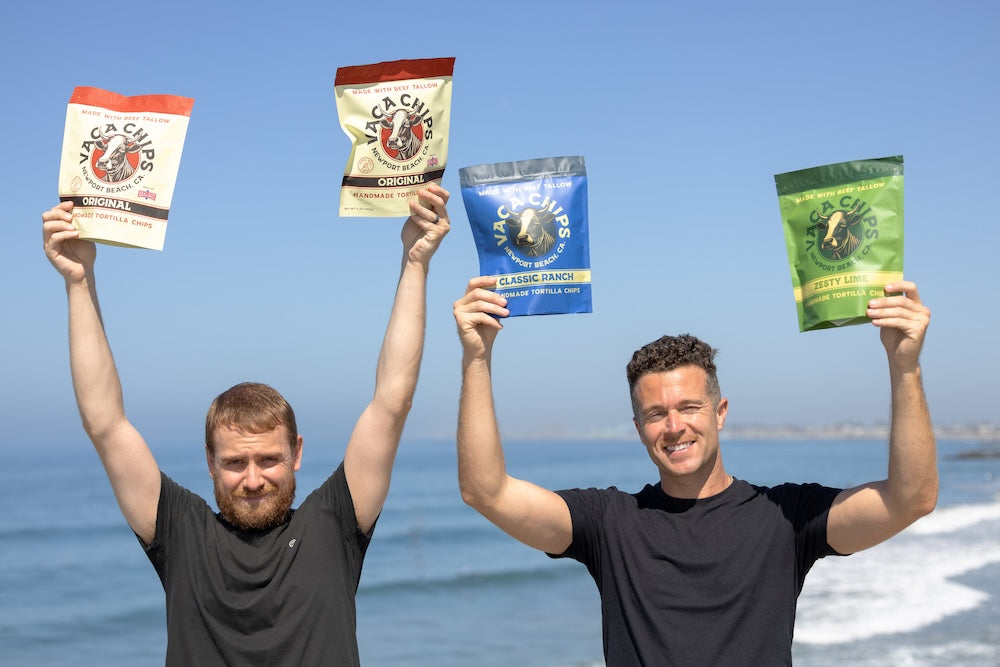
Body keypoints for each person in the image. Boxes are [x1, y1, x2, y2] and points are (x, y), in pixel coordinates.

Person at [41, 184, 451, 666]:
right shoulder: (180, 533)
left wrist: (415, 261)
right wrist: (78, 279)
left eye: (269, 459)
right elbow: (105, 424)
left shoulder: (334, 524)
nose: (253, 479)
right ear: (210, 463)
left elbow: (391, 403)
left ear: (296, 453)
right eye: (235, 462)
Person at [453, 275, 936, 666]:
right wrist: (477, 357)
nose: (674, 426)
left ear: (720, 411)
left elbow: (910, 499)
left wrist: (904, 365)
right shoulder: (610, 522)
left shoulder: (785, 517)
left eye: (689, 407)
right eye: (656, 414)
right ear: (639, 426)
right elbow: (486, 491)